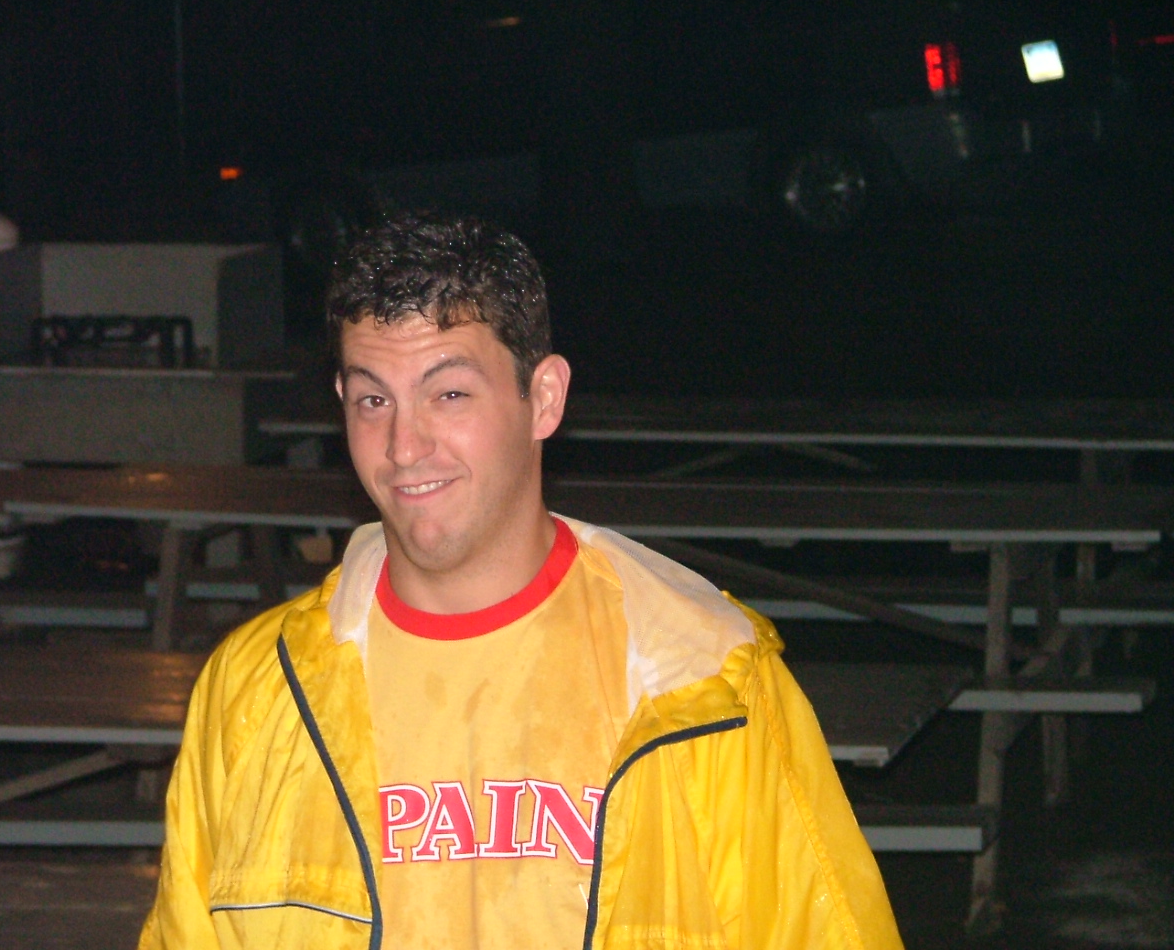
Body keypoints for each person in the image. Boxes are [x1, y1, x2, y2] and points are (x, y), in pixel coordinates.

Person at [139, 214, 904, 950]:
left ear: (544, 398)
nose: (404, 445)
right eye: (375, 399)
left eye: (449, 394)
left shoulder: (703, 680)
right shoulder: (256, 690)